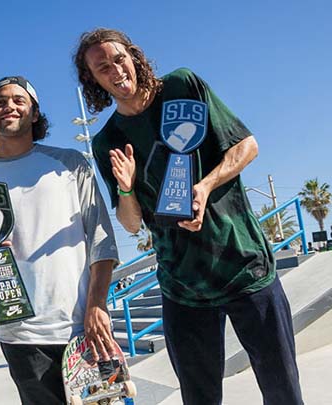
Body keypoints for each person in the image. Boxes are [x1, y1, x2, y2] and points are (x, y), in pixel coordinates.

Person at [74, 28, 303, 404]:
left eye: (119, 59)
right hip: (182, 286)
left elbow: (247, 146)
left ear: (133, 57)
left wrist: (206, 186)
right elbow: (131, 223)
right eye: (102, 68)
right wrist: (128, 188)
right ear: (93, 80)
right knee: (199, 398)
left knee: (283, 392)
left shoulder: (182, 86)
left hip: (244, 267)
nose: (115, 71)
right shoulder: (107, 141)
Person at [0, 76, 119, 404]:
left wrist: (97, 306)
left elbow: (102, 240)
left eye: (19, 100)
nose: (9, 107)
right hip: (20, 337)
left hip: (81, 329)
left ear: (34, 114)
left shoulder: (70, 164)